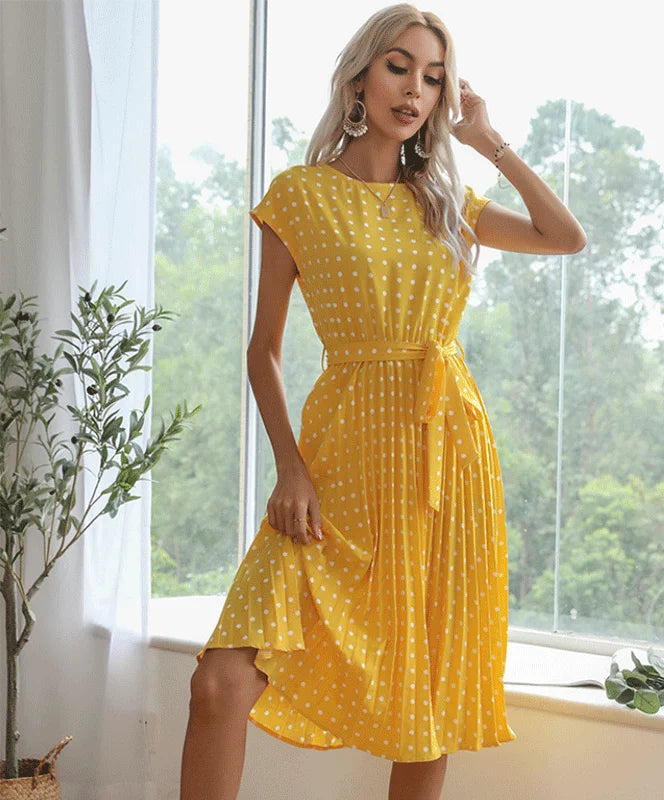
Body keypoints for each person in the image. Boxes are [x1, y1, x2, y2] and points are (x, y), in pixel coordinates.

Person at [180, 4, 586, 799]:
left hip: (443, 459)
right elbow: (264, 351)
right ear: (359, 76)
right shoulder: (300, 195)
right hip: (336, 463)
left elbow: (564, 235)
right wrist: (289, 467)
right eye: (399, 67)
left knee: (427, 700)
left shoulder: (445, 204)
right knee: (220, 683)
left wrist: (488, 140)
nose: (414, 91)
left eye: (433, 78)